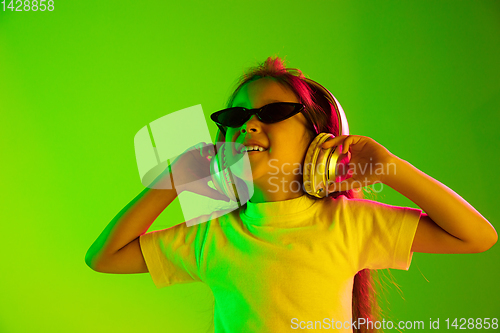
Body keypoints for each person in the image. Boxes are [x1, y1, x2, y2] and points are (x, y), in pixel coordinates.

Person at [85, 56, 497, 333]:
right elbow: (104, 257)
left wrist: (389, 169)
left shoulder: (349, 224)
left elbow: (477, 236)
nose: (247, 125)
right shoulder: (212, 237)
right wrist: (175, 180)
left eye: (271, 113)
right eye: (236, 116)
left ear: (321, 140)